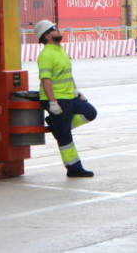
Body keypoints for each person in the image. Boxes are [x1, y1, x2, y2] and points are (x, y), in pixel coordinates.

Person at [34, 19, 97, 177]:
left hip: (69, 96)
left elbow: (68, 74)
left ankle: (60, 125)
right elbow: (46, 80)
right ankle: (74, 168)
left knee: (90, 112)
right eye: (54, 29)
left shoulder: (60, 50)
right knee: (65, 139)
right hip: (57, 99)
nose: (57, 30)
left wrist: (76, 91)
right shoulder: (46, 55)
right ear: (47, 35)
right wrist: (52, 102)